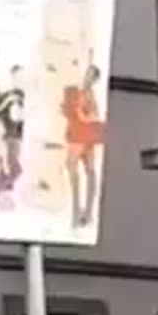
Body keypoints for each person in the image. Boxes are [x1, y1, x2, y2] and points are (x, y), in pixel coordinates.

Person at [61, 64, 104, 228]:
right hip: (81, 136)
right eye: (87, 73)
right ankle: (83, 211)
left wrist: (79, 114)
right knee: (86, 171)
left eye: (91, 75)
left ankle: (82, 210)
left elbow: (93, 116)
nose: (87, 77)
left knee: (81, 169)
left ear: (94, 79)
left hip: (81, 137)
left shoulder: (89, 95)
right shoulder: (82, 93)